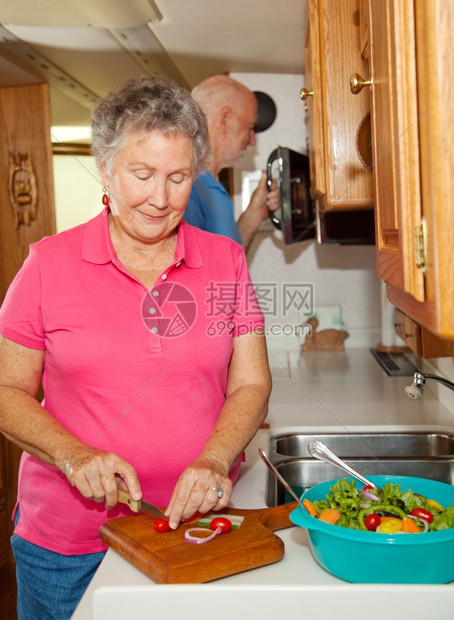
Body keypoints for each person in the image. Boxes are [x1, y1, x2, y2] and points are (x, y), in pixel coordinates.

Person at [0, 75, 271, 619]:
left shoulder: (224, 261)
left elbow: (252, 382)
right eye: (142, 174)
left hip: (195, 531)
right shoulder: (48, 265)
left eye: (177, 178)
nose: (160, 198)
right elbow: (7, 391)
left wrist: (216, 459)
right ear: (105, 168)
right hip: (69, 547)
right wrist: (74, 455)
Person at [184, 74, 280, 251]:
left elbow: (226, 260)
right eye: (250, 128)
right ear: (224, 120)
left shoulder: (213, 187)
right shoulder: (187, 188)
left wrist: (255, 214)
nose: (252, 141)